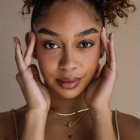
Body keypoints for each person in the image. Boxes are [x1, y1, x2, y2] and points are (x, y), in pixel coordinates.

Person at [0, 0, 139, 140]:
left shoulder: (134, 131)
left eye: (85, 44)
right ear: (33, 46)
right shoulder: (4, 128)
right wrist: (36, 114)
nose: (68, 64)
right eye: (51, 45)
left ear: (103, 47)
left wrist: (100, 113)